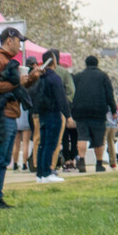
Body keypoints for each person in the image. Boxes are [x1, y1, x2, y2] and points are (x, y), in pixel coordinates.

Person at [0, 26, 43, 210]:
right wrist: (17, 82)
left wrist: (31, 79)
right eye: (19, 41)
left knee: (3, 158)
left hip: (8, 114)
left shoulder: (5, 59)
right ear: (9, 40)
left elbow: (15, 86)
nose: (20, 46)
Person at [72, 55, 117, 173]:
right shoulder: (103, 76)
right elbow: (109, 94)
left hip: (80, 111)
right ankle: (99, 164)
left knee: (82, 136)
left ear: (86, 64)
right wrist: (113, 110)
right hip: (98, 112)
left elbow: (72, 94)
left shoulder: (78, 77)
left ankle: (81, 161)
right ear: (97, 64)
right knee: (99, 139)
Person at [34, 50, 70, 183]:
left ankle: (40, 174)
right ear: (53, 61)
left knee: (43, 144)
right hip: (53, 113)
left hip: (42, 113)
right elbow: (61, 98)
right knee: (51, 143)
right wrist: (68, 115)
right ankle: (47, 172)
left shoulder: (40, 77)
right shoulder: (55, 78)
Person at [10, 56, 36, 171]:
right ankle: (24, 163)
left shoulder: (16, 83)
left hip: (16, 114)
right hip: (26, 114)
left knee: (16, 143)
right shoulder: (31, 82)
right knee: (25, 142)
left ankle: (15, 163)